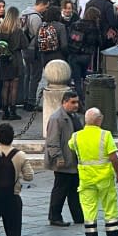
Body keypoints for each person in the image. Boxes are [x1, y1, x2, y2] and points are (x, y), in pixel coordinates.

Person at [68, 108, 118, 236]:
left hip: (86, 179)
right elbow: (113, 157)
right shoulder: (105, 135)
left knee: (89, 210)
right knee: (110, 209)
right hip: (105, 178)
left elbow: (71, 147)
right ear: (99, 120)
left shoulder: (76, 137)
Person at [44, 90, 84, 226]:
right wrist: (58, 157)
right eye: (73, 102)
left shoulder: (73, 116)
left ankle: (78, 216)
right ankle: (54, 216)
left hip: (73, 160)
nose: (76, 105)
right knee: (60, 190)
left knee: (74, 189)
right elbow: (52, 140)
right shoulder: (57, 118)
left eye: (77, 102)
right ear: (64, 102)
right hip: (64, 160)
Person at [0, 6, 28, 120]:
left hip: (3, 61)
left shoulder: (0, 29)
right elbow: (25, 45)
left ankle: (5, 112)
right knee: (14, 86)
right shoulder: (17, 31)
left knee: (5, 86)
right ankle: (13, 111)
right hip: (15, 60)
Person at [20, 0, 51, 111]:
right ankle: (31, 101)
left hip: (25, 49)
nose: (46, 10)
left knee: (27, 74)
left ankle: (25, 98)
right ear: (42, 4)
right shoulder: (36, 17)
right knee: (35, 76)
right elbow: (38, 35)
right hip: (34, 50)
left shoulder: (24, 13)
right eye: (46, 7)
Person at [67, 6, 102, 100]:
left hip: (74, 55)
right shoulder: (94, 27)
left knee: (77, 79)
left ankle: (80, 100)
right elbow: (99, 42)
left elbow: (69, 38)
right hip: (86, 56)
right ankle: (97, 78)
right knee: (85, 75)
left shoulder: (75, 24)